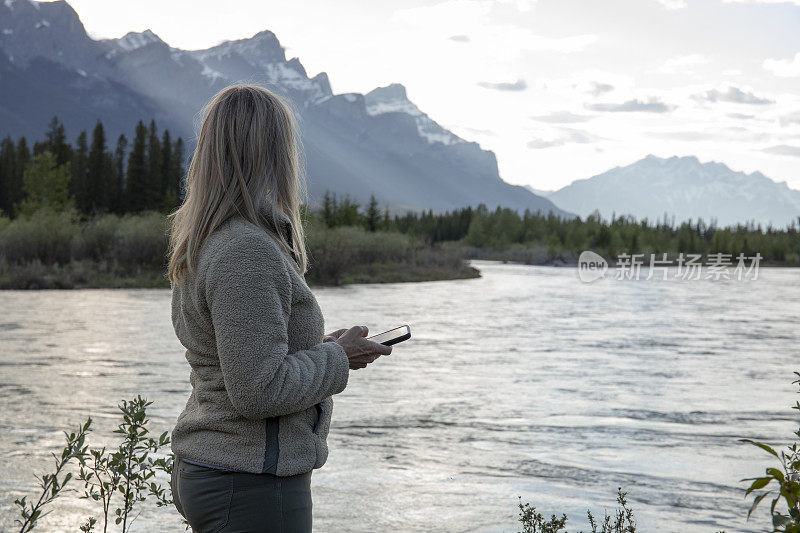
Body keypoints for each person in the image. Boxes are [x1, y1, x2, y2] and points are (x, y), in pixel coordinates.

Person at [166, 84, 391, 532]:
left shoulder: (218, 239)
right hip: (250, 484)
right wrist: (337, 357)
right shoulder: (245, 250)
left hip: (227, 472)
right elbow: (257, 391)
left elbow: (247, 357)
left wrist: (319, 348)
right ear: (275, 153)